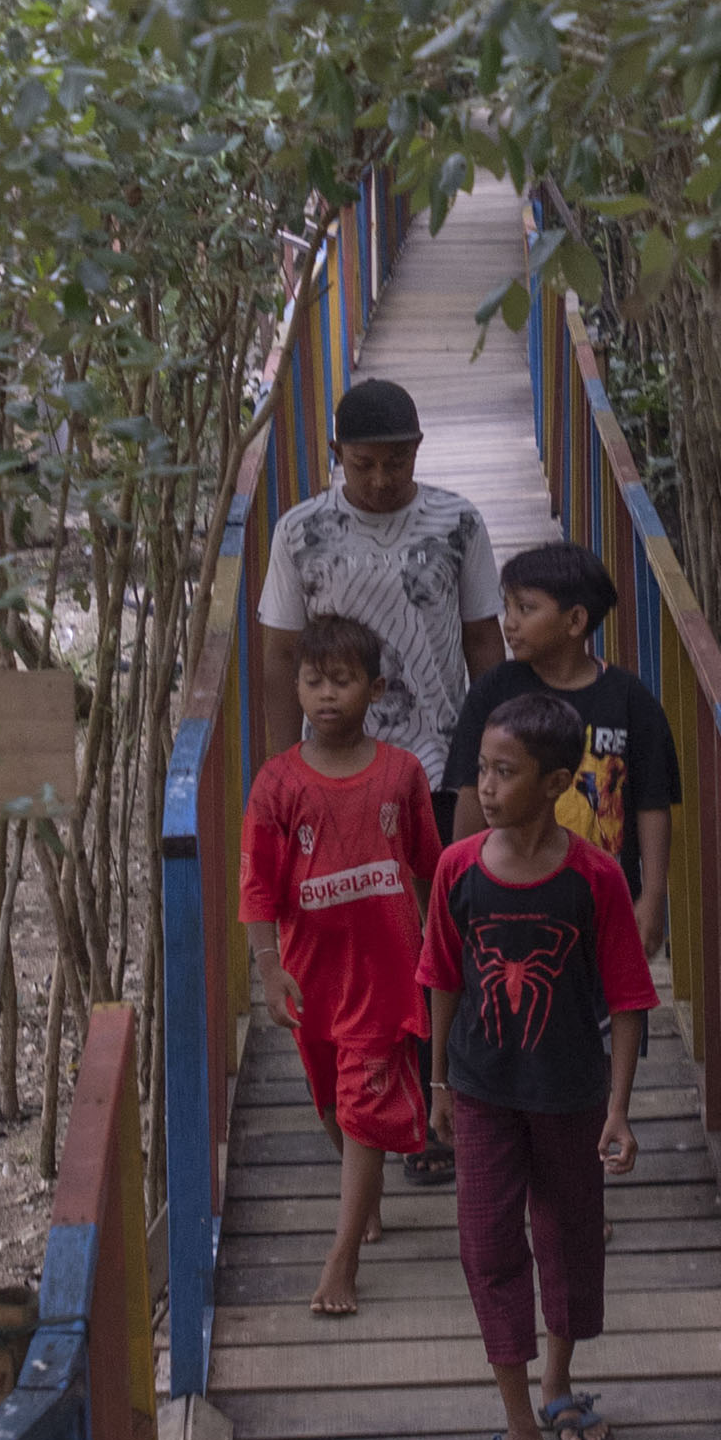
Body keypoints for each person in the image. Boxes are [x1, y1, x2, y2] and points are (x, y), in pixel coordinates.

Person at [257, 374, 502, 1183]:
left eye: (396, 463)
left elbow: (482, 645)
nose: (381, 480)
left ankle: (438, 1108)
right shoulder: (301, 533)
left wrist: (495, 757)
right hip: (335, 770)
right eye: (364, 464)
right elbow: (279, 656)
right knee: (368, 936)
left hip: (436, 757)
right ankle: (378, 1099)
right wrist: (275, 768)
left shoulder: (458, 523)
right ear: (337, 458)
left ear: (418, 454)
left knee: (437, 932)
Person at [415, 691, 653, 1440]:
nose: (485, 785)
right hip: (483, 1090)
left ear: (556, 782)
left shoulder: (593, 879)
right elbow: (442, 975)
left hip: (571, 1093)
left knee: (567, 1235)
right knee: (486, 1246)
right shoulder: (459, 870)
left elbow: (628, 998)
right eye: (481, 768)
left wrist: (619, 1111)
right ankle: (520, 1431)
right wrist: (439, 1081)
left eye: (504, 772)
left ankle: (557, 1383)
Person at [240, 611, 442, 1319]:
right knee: (330, 1103)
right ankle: (368, 1196)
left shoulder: (402, 774)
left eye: (344, 681)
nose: (327, 695)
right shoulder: (276, 784)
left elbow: (426, 867)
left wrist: (436, 956)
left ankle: (342, 1256)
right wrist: (269, 966)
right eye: (313, 681)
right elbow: (259, 886)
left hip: (385, 975)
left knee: (361, 1102)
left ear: (376, 688)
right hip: (310, 975)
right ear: (295, 687)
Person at [439, 542, 682, 958]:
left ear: (575, 621)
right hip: (507, 897)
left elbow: (652, 801)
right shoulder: (495, 691)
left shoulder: (628, 699)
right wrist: (460, 883)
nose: (509, 624)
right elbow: (469, 786)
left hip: (601, 902)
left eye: (526, 609)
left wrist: (654, 897)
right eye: (507, 608)